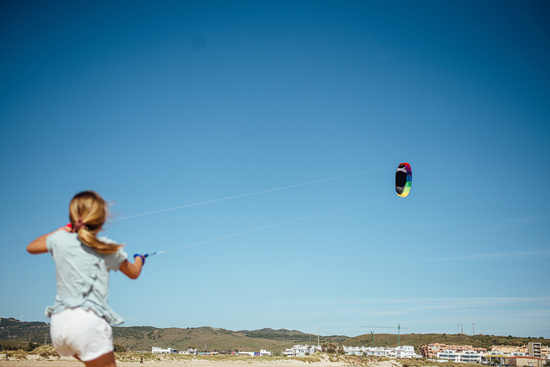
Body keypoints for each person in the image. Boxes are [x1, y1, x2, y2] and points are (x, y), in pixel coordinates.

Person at [27, 191, 146, 367]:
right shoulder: (106, 247)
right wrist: (139, 259)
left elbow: (32, 247)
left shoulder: (60, 239)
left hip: (59, 324)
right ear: (102, 220)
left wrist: (63, 230)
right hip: (87, 322)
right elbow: (134, 273)